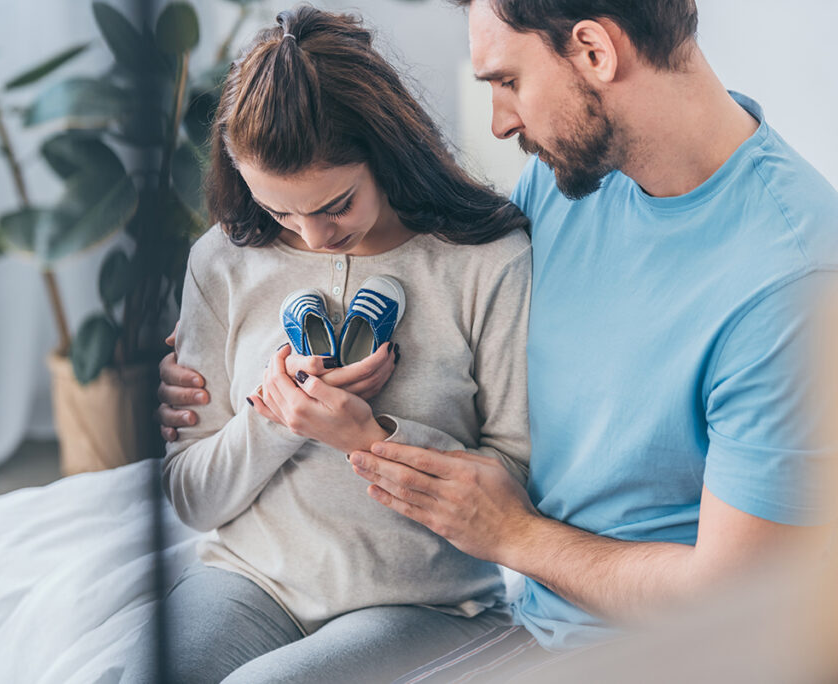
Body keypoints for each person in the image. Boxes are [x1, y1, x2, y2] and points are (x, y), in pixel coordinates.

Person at [160, 0, 838, 680]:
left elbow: (738, 605)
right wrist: (223, 371)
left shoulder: (797, 283)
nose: (499, 122)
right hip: (529, 619)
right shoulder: (573, 185)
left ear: (594, 51)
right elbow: (452, 312)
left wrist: (515, 536)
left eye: (506, 81)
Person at [129, 5, 535, 684]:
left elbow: (516, 483)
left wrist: (369, 437)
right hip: (252, 579)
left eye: (334, 204)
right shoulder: (222, 262)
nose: (312, 236)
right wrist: (273, 420)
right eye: (279, 210)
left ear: (386, 151)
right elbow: (192, 498)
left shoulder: (486, 262)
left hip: (425, 602)